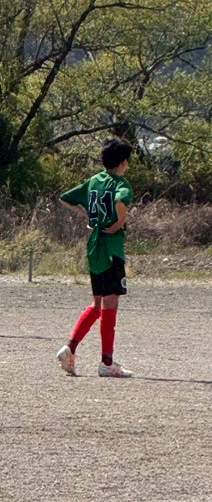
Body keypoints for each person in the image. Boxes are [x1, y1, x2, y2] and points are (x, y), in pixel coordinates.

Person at [55, 138, 135, 378]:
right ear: (122, 163)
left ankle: (70, 347)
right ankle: (107, 362)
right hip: (111, 248)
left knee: (97, 303)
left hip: (94, 247)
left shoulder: (93, 181)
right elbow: (120, 200)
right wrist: (119, 222)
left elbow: (65, 197)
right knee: (111, 304)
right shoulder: (121, 183)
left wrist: (90, 216)